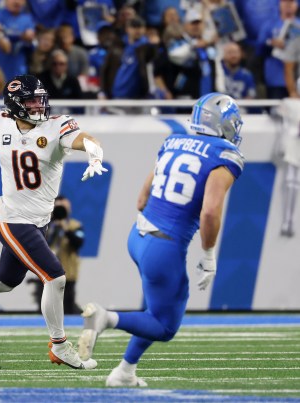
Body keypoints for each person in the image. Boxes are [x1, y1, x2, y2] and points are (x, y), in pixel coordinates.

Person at [0, 74, 107, 370]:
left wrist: (95, 156)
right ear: (14, 105)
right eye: (31, 101)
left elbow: (87, 140)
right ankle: (60, 345)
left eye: (41, 99)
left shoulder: (56, 127)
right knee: (55, 276)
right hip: (13, 220)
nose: (39, 105)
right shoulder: (1, 122)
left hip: (39, 221)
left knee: (4, 280)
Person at [78, 92, 245, 387]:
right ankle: (106, 318)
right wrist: (208, 255)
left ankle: (124, 373)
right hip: (163, 245)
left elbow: (141, 199)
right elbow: (209, 213)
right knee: (165, 326)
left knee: (157, 312)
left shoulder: (172, 142)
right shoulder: (225, 154)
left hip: (138, 237)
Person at [31, 196, 85, 314]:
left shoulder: (74, 225)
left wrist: (65, 229)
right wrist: (52, 228)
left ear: (69, 209)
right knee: (45, 308)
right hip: (46, 272)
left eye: (63, 207)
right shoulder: (45, 225)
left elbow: (78, 242)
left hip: (68, 273)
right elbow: (38, 243)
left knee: (67, 309)